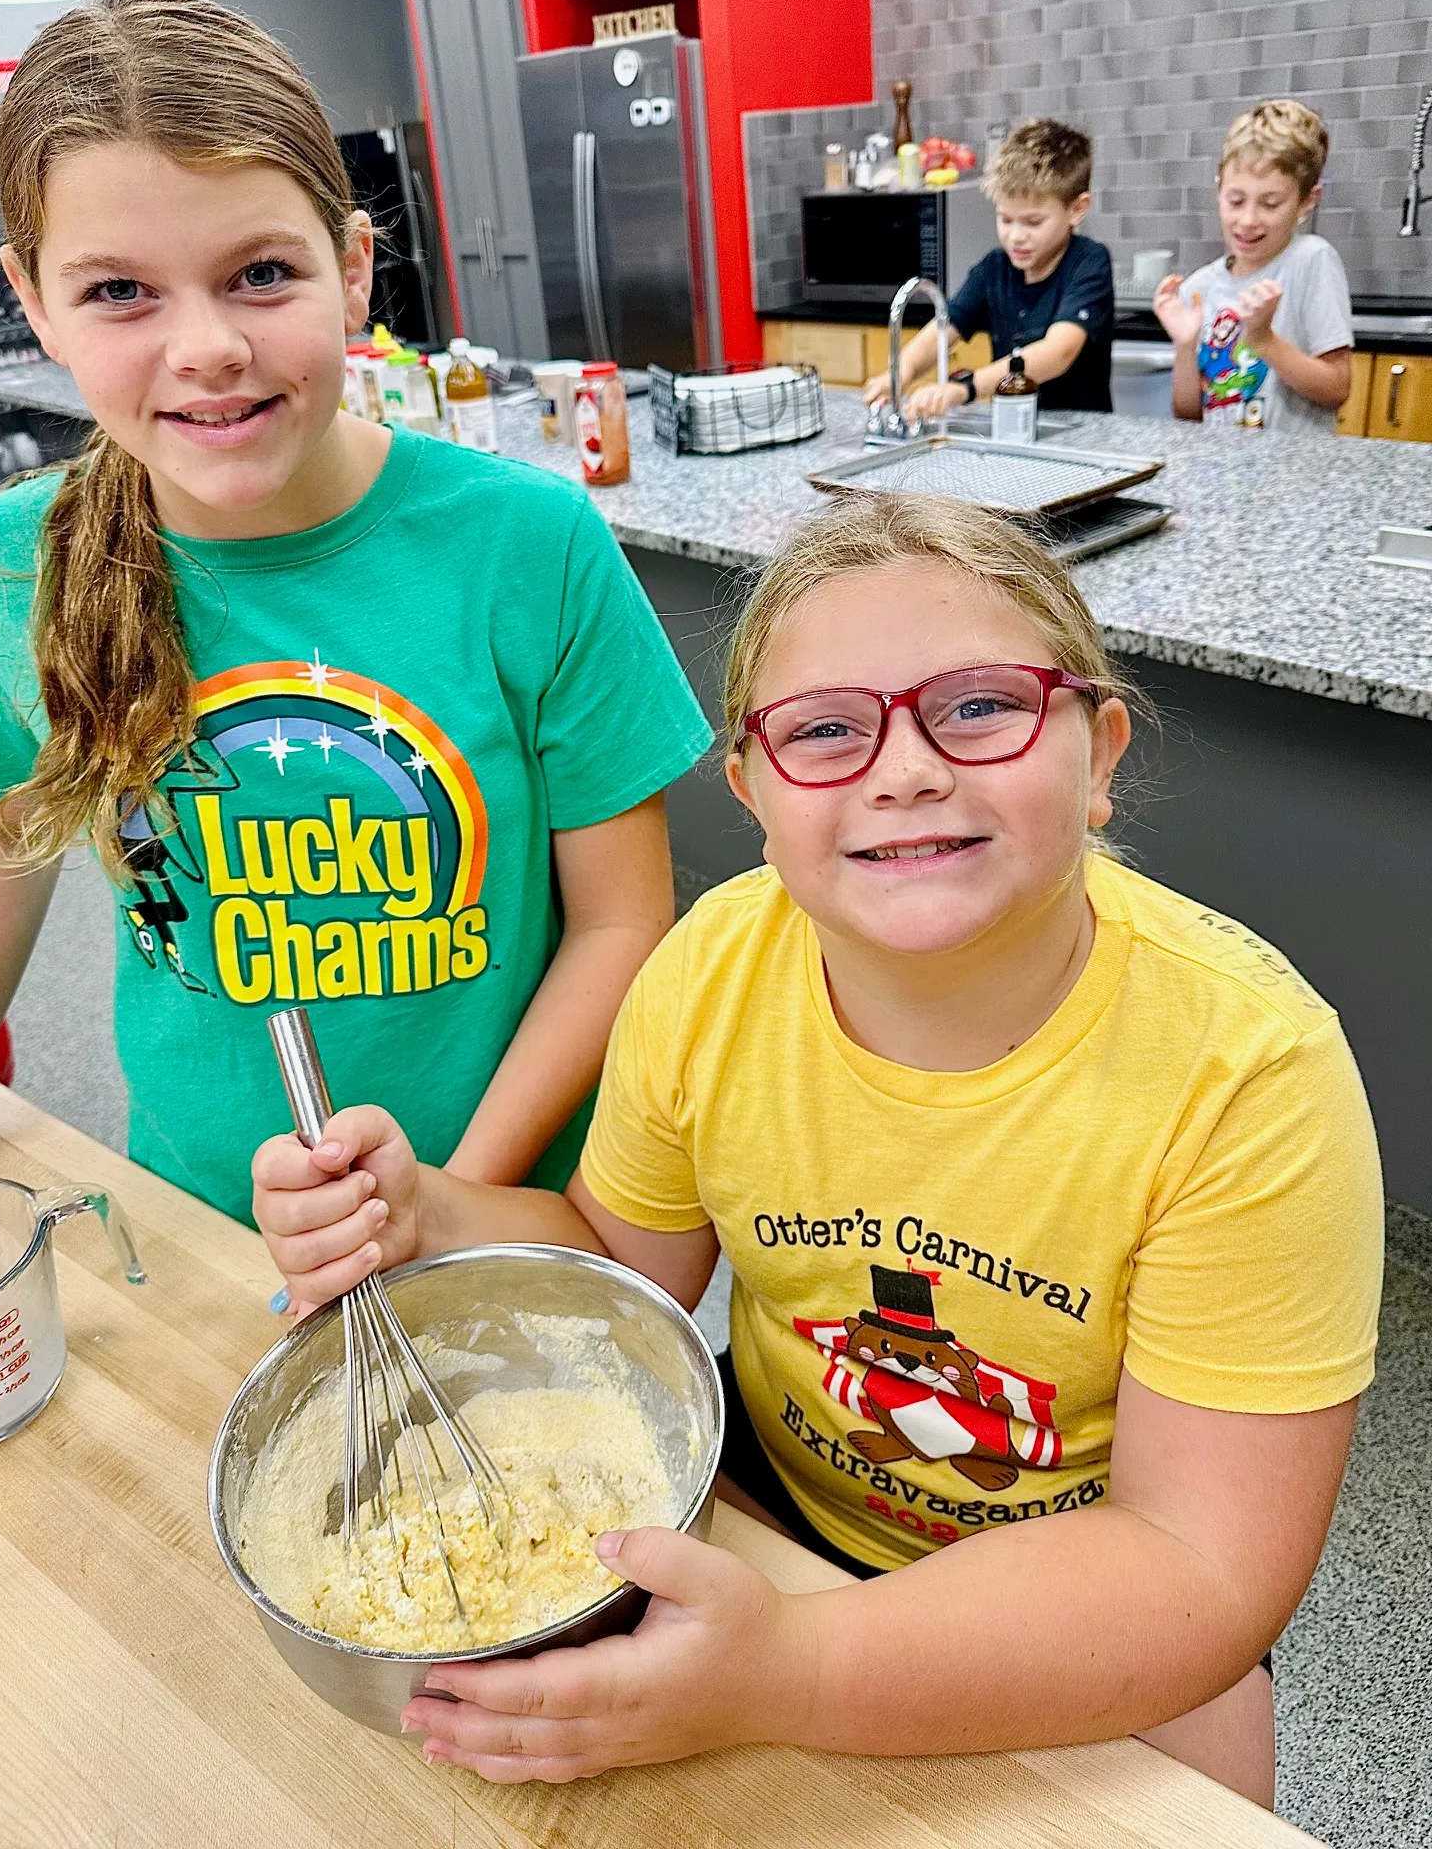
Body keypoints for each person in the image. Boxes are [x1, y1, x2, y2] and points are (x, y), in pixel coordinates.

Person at [252, 492, 1381, 1805]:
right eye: (828, 731)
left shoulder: (1250, 1076)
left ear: (1103, 754)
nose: (904, 769)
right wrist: (427, 1213)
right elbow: (623, 1265)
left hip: (1074, 1597)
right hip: (773, 1516)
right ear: (751, 792)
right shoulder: (709, 975)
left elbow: (1199, 1569)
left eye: (979, 705)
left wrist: (790, 1666)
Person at [0, 0, 712, 1225]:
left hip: (503, 1207)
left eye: (260, 274)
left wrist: (439, 1200)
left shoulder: (527, 545)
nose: (206, 347)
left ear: (352, 270)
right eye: (120, 291)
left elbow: (622, 922)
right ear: (33, 302)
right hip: (202, 1218)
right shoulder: (13, 566)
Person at [863, 119, 1114, 420]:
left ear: (1077, 209)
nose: (1016, 236)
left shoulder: (1089, 263)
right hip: (1011, 427)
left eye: (1033, 222)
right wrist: (901, 371)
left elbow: (1058, 352)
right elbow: (942, 330)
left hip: (1082, 432)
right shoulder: (994, 269)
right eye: (1006, 219)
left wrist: (964, 389)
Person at [1153, 99, 1353, 432]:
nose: (1248, 220)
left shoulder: (1311, 261)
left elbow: (1336, 389)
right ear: (1219, 189)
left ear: (1307, 201)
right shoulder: (1198, 289)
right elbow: (1187, 416)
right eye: (1235, 200)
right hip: (1217, 474)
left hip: (1291, 477)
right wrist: (1186, 347)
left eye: (1270, 204)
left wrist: (1264, 341)